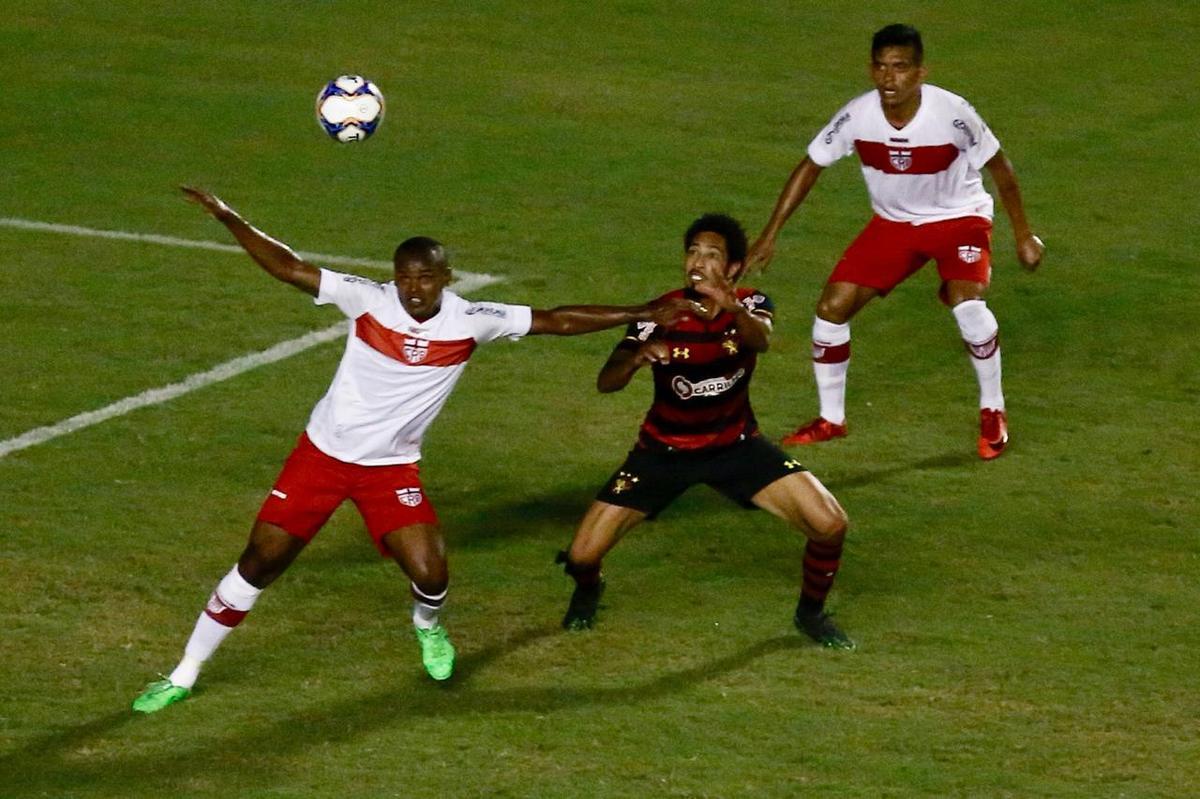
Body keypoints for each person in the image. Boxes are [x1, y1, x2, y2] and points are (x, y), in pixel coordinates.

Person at [132, 187, 690, 714]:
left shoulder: (471, 321)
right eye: (404, 278)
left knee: (431, 571)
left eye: (424, 277)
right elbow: (288, 266)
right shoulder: (367, 302)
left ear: (446, 277)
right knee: (258, 564)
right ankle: (183, 673)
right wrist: (229, 216)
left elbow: (556, 319)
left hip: (388, 470)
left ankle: (427, 626)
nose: (413, 288)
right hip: (321, 459)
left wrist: (636, 312)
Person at [743, 23, 1044, 460]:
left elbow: (1001, 169)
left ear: (920, 72)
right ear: (871, 69)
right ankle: (831, 419)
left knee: (969, 306)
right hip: (893, 224)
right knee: (831, 308)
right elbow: (810, 165)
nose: (889, 78)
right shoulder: (857, 116)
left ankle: (992, 413)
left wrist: (1022, 235)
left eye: (900, 68)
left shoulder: (952, 113)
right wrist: (771, 233)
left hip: (958, 219)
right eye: (881, 67)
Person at [557, 213, 854, 649]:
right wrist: (636, 357)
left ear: (733, 268)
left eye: (711, 255)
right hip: (662, 452)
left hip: (736, 448)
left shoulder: (751, 304)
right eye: (692, 252)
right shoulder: (659, 313)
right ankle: (589, 588)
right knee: (582, 555)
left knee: (830, 524)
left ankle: (810, 614)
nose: (697, 262)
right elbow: (607, 381)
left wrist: (731, 305)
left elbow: (761, 340)